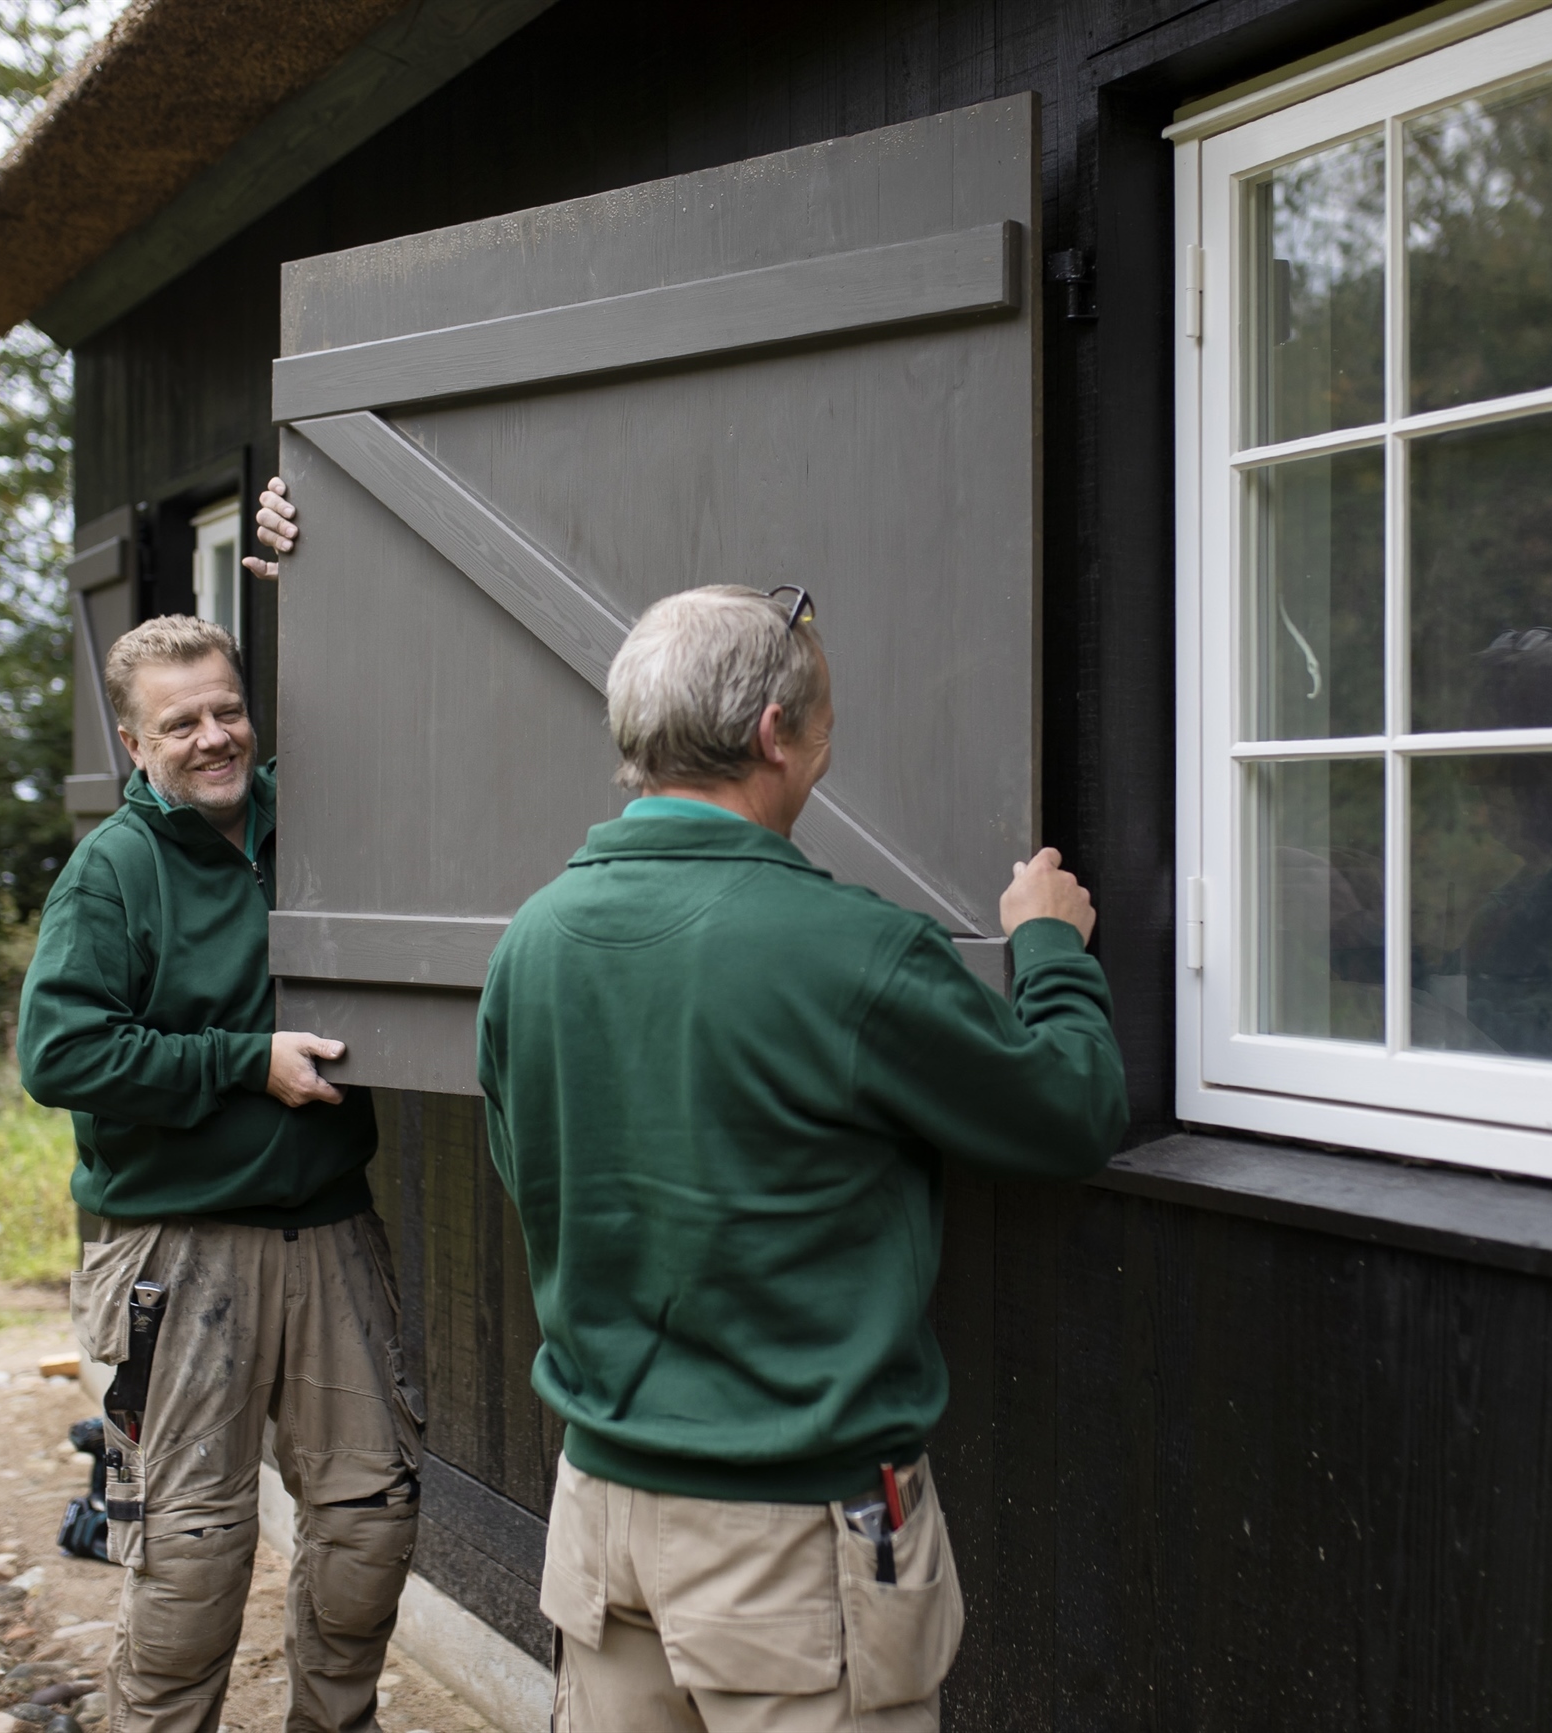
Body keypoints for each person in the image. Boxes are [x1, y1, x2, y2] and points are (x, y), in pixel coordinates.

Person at [476, 584, 1129, 1731]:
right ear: (775, 733)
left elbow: (531, 1168)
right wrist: (1049, 946)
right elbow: (1068, 1111)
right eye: (824, 718)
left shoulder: (530, 941)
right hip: (786, 1548)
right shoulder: (854, 951)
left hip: (598, 1517)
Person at [17, 607, 419, 1733]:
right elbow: (59, 1052)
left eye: (229, 709)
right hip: (175, 1246)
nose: (212, 736)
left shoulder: (317, 820)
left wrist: (295, 552)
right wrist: (248, 1065)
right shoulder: (114, 871)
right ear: (134, 743)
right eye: (179, 721)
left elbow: (402, 686)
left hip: (330, 1234)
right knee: (192, 1549)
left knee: (368, 1522)